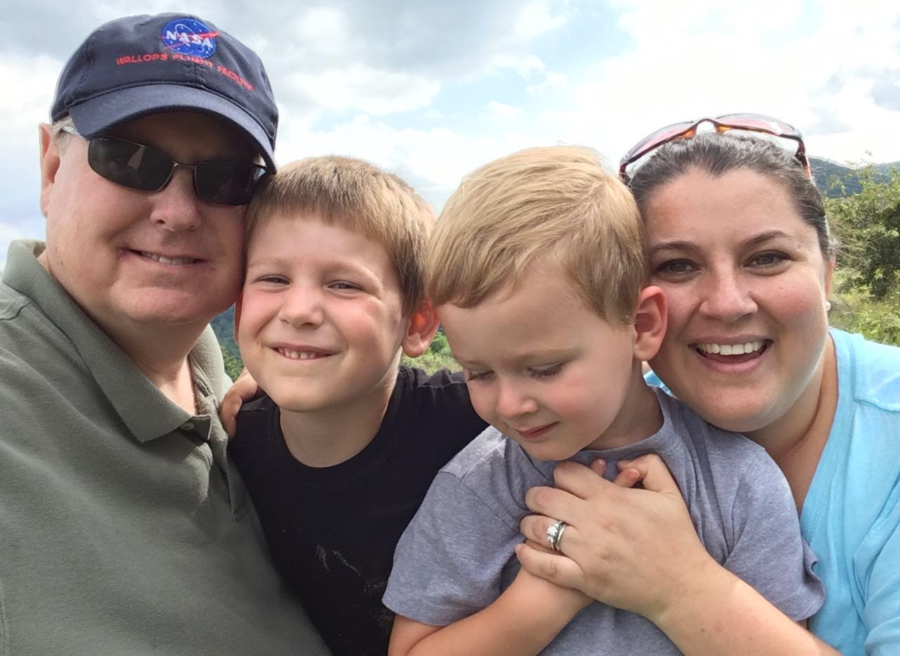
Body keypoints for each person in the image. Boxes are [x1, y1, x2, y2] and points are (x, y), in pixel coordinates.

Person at [382, 146, 824, 656]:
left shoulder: (738, 481)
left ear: (641, 326)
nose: (509, 404)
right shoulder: (479, 487)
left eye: (544, 369)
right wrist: (546, 597)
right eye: (478, 372)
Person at [0, 13, 330, 654]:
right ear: (49, 168)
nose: (177, 212)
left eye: (227, 177)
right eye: (128, 158)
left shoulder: (230, 383)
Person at [516, 120, 900, 655]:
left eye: (767, 257)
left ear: (827, 276)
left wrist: (681, 590)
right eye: (677, 265)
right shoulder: (596, 422)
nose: (727, 302)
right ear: (637, 307)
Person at [227, 156, 488, 656]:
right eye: (273, 279)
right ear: (239, 306)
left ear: (416, 325)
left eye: (344, 284)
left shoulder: (474, 421)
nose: (299, 310)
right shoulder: (232, 443)